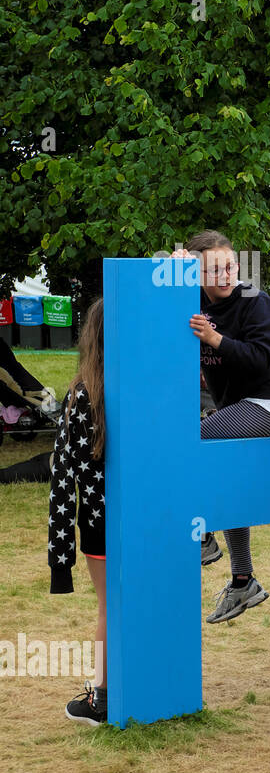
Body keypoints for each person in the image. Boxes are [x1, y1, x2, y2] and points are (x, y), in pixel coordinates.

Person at [182, 229, 270, 622]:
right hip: (236, 408)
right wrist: (174, 264)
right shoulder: (193, 298)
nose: (225, 274)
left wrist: (215, 340)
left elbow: (262, 361)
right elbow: (157, 296)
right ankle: (242, 581)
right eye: (213, 268)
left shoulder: (255, 300)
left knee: (196, 437)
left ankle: (203, 536)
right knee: (227, 479)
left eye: (229, 265)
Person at [49, 300, 109, 725]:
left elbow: (62, 480)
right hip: (154, 521)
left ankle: (102, 697)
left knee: (112, 608)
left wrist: (61, 560)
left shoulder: (82, 393)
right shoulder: (153, 388)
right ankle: (149, 681)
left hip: (100, 526)